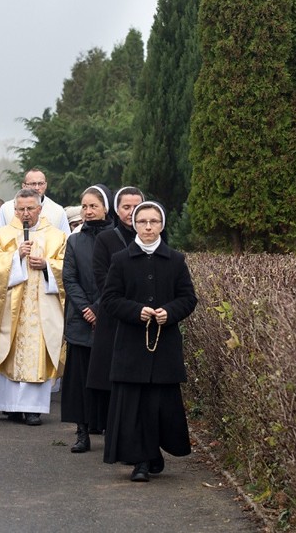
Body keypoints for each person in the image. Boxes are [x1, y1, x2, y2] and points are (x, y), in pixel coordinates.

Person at [101, 201, 198, 482]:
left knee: (159, 406)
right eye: (142, 221)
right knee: (135, 406)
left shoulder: (176, 260)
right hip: (131, 346)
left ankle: (155, 453)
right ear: (134, 224)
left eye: (153, 222)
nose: (147, 227)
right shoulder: (120, 259)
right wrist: (135, 311)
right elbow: (110, 299)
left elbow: (188, 298)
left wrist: (170, 312)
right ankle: (140, 461)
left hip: (164, 346)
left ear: (161, 225)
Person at [0, 189, 67, 426]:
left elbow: (65, 267)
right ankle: (9, 405)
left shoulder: (57, 236)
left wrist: (47, 266)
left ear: (40, 209)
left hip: (42, 307)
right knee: (6, 347)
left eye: (30, 208)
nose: (25, 213)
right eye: (21, 209)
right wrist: (15, 257)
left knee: (37, 352)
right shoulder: (1, 235)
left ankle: (32, 409)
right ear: (14, 209)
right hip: (9, 307)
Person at [85, 186, 144, 433]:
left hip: (145, 318)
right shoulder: (106, 239)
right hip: (114, 316)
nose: (131, 212)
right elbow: (102, 278)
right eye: (125, 207)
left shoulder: (153, 235)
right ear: (116, 209)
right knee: (112, 377)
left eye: (135, 206)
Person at [60, 185, 114, 452]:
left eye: (94, 206)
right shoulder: (74, 240)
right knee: (79, 380)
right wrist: (86, 309)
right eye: (84, 206)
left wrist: (99, 308)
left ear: (105, 208)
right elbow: (69, 278)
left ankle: (108, 429)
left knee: (107, 378)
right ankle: (82, 432)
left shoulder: (117, 239)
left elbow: (117, 281)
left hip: (108, 318)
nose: (88, 211)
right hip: (81, 320)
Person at [0, 169, 70, 233]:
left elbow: (65, 242)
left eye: (40, 183)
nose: (37, 187)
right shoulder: (6, 209)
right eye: (32, 184)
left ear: (45, 185)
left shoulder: (58, 211)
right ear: (24, 186)